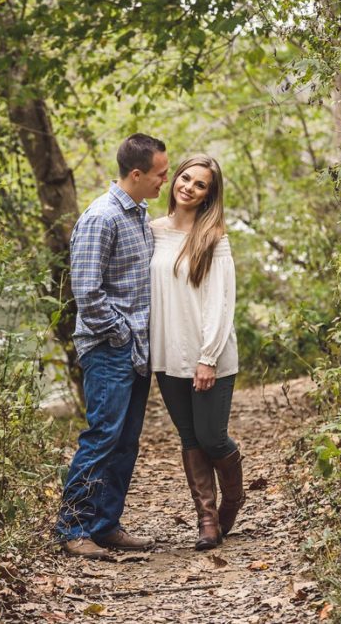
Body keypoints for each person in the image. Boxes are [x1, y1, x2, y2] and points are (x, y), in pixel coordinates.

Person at [58, 133, 169, 561]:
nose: (165, 181)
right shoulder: (101, 218)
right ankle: (73, 529)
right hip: (108, 348)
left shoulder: (138, 214)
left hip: (135, 349)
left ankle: (105, 525)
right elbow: (87, 293)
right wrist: (122, 334)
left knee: (125, 441)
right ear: (136, 174)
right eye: (160, 174)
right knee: (102, 437)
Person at [150, 155, 244, 551]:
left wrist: (208, 357)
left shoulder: (214, 238)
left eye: (200, 184)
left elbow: (220, 303)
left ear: (209, 195)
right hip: (167, 355)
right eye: (185, 178)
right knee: (190, 438)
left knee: (211, 437)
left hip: (210, 356)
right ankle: (207, 519)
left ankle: (233, 499)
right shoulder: (152, 231)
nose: (188, 187)